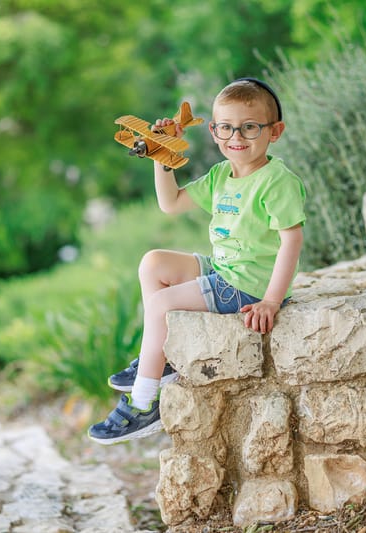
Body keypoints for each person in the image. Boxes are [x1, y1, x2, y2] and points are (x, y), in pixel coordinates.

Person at [88, 78, 307, 445]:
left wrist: (271, 300)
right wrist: (162, 157)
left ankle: (143, 402)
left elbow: (292, 241)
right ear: (214, 131)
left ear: (275, 131)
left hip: (247, 286)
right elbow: (171, 203)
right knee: (153, 263)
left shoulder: (276, 181)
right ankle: (162, 357)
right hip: (225, 270)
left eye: (250, 127)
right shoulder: (221, 175)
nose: (236, 136)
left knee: (161, 303)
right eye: (226, 127)